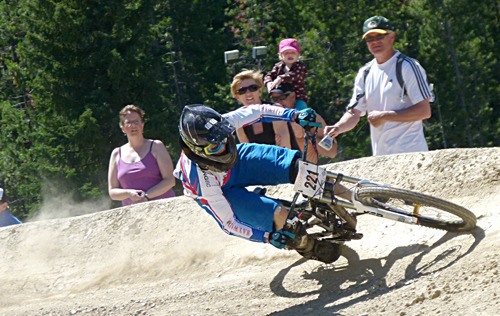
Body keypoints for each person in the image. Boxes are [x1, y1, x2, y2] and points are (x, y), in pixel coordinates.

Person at [173, 103, 341, 263]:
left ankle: (352, 194)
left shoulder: (220, 125)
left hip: (238, 161)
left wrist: (294, 115)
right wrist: (267, 237)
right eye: (214, 148)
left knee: (298, 169)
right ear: (199, 151)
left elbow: (258, 111)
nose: (224, 147)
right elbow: (229, 223)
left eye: (225, 137)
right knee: (281, 217)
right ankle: (308, 246)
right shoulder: (201, 182)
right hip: (222, 191)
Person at [324, 16, 432, 156]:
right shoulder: (365, 72)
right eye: (369, 39)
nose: (375, 42)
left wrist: (385, 116)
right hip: (381, 158)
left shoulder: (407, 66)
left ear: (392, 36)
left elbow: (424, 111)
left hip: (411, 154)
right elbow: (354, 113)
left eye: (379, 36)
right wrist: (337, 128)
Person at [108, 104, 176, 206]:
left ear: (142, 124)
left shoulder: (156, 146)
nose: (133, 125)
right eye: (129, 122)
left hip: (164, 208)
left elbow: (170, 180)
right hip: (134, 214)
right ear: (122, 127)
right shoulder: (116, 154)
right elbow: (113, 192)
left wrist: (145, 196)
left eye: (136, 121)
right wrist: (129, 193)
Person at [269, 83, 338, 163]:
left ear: (293, 96)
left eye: (282, 97)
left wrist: (308, 135)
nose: (279, 102)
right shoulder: (268, 120)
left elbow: (332, 152)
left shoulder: (310, 118)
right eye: (274, 99)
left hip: (307, 171)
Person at [230, 69, 299, 150]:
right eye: (242, 90)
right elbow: (248, 154)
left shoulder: (275, 110)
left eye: (253, 88)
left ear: (260, 91)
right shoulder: (238, 117)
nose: (248, 93)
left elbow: (284, 150)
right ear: (237, 96)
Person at [264, 38, 308, 110]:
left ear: (298, 55)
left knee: (301, 112)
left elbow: (294, 75)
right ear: (280, 55)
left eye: (293, 52)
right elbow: (269, 75)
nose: (290, 55)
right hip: (280, 97)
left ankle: (302, 120)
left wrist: (281, 78)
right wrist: (268, 83)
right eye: (286, 53)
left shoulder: (300, 67)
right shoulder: (278, 66)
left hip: (298, 98)